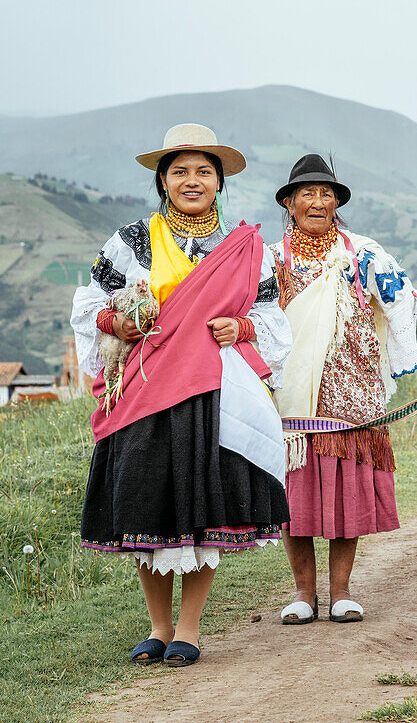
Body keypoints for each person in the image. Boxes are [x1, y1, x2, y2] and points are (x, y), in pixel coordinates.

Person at [71, 124, 292, 667]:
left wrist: (239, 329)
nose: (192, 181)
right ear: (162, 180)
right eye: (180, 171)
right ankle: (158, 627)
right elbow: (88, 305)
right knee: (148, 504)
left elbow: (269, 317)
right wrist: (115, 322)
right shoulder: (131, 241)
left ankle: (188, 631)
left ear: (219, 182)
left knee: (203, 510)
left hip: (213, 391)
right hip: (145, 391)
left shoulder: (245, 249)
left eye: (203, 171)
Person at [269, 155, 417, 624]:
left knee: (345, 494)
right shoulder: (270, 260)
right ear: (288, 203)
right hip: (291, 396)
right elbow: (251, 316)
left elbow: (408, 300)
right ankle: (304, 594)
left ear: (337, 204)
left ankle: (342, 593)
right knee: (298, 497)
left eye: (326, 194)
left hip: (352, 393)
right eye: (306, 193)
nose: (317, 201)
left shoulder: (361, 254)